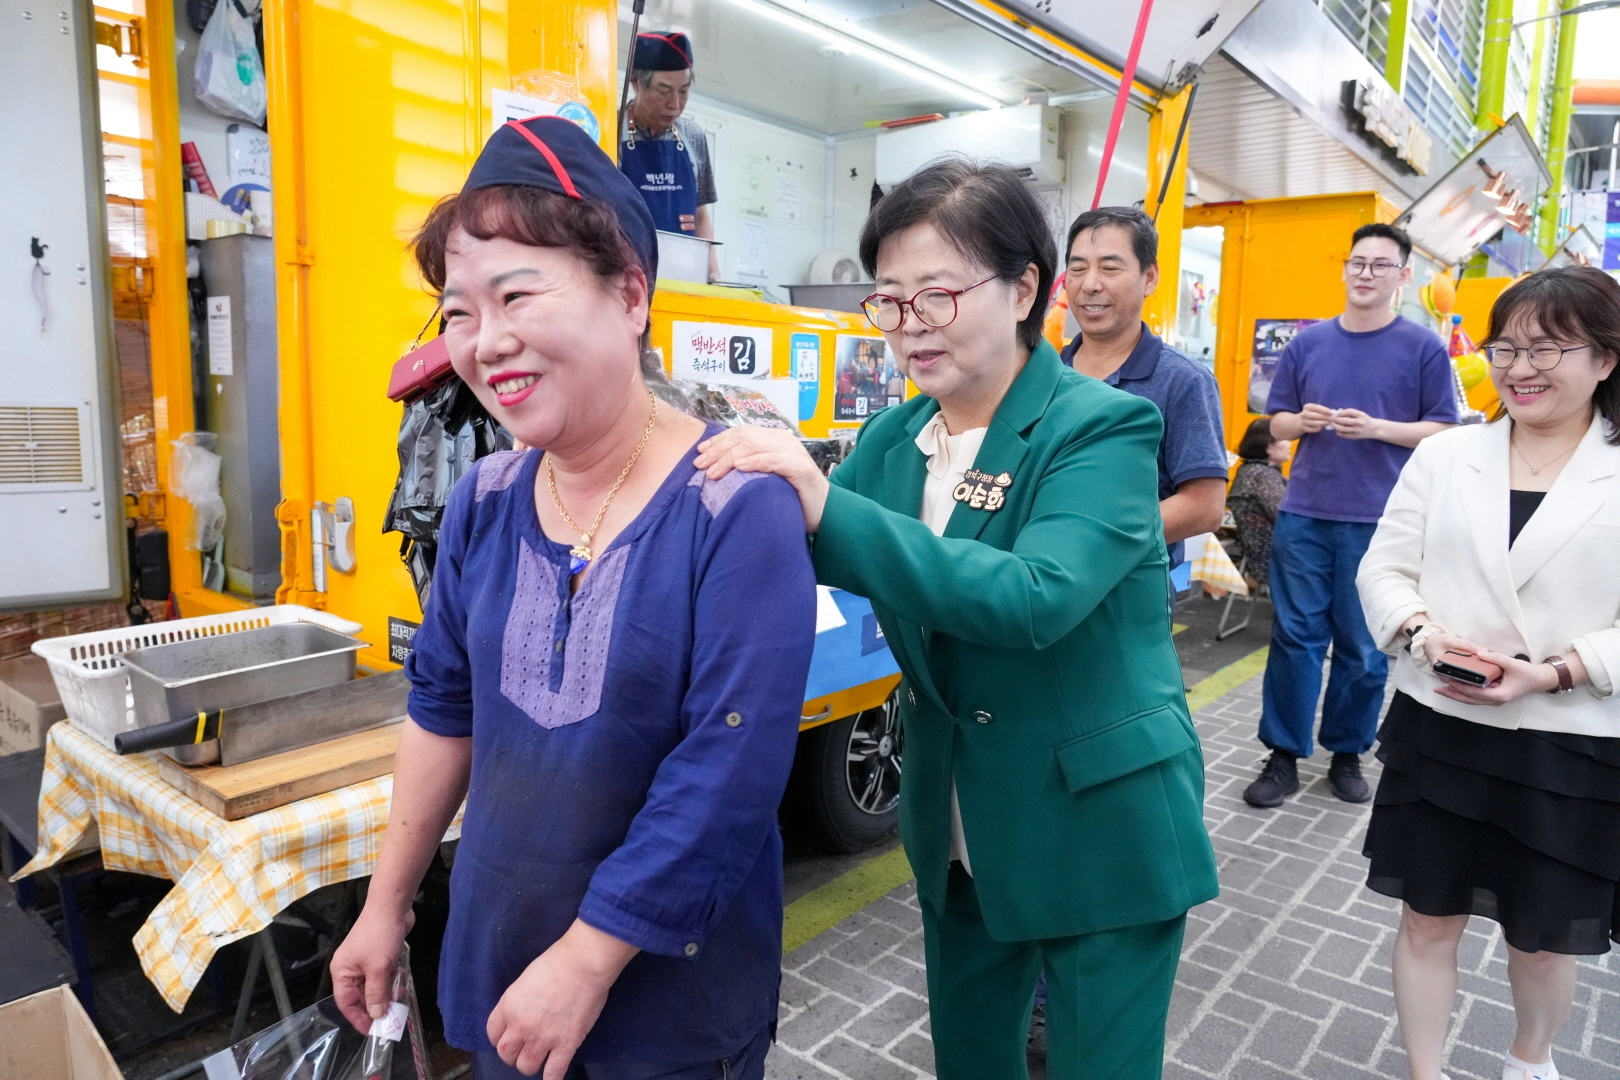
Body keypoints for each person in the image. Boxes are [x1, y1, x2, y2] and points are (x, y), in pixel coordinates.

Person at [695, 159, 1218, 1080]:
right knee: (972, 1059)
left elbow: (1035, 596)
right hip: (957, 819)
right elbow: (796, 541)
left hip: (1099, 819)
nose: (906, 328)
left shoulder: (1100, 428)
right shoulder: (896, 441)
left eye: (934, 296)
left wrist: (825, 502)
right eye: (888, 301)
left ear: (1023, 290)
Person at [329, 116, 816, 1080]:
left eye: (516, 294)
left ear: (630, 293)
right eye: (458, 311)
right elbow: (443, 710)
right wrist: (386, 905)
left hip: (666, 994)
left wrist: (590, 961)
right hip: (505, 964)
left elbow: (726, 773)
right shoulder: (488, 500)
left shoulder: (734, 507)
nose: (486, 341)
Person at [1356, 265, 1620, 1080]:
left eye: (1548, 347)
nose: (1520, 367)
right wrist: (1427, 637)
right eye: (1505, 346)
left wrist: (1558, 672)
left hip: (1567, 742)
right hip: (1443, 724)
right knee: (1426, 921)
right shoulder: (1448, 455)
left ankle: (1529, 1059)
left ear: (1606, 359)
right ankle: (1425, 1072)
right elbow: (1384, 571)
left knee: (1543, 938)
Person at [1244, 223, 1459, 809]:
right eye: (1357, 262)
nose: (1365, 273)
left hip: (1381, 522)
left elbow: (1444, 430)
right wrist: (1301, 422)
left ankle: (1346, 752)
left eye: (1380, 265)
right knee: (1294, 639)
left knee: (1365, 648)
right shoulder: (1307, 345)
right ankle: (1283, 755)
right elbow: (1275, 422)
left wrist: (1377, 429)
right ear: (1344, 269)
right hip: (1305, 513)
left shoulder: (1423, 348)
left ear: (1403, 276)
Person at [1063, 206, 1230, 570]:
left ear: (1149, 277)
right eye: (1077, 268)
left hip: (1134, 589)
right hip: (1044, 575)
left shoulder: (1182, 379)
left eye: (1109, 268)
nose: (1090, 283)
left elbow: (1205, 507)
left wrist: (1093, 541)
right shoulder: (1044, 373)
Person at [618, 31, 719, 282]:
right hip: (626, 281)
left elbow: (700, 215)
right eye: (664, 91)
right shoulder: (609, 129)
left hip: (686, 281)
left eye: (683, 91)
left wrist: (715, 277)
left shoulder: (693, 135)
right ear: (636, 83)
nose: (675, 104)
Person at [1227, 417, 1290, 592]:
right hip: (1281, 558)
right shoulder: (1263, 475)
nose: (1290, 444)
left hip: (1259, 557)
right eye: (1284, 438)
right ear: (1269, 446)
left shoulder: (1249, 471)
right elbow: (1285, 516)